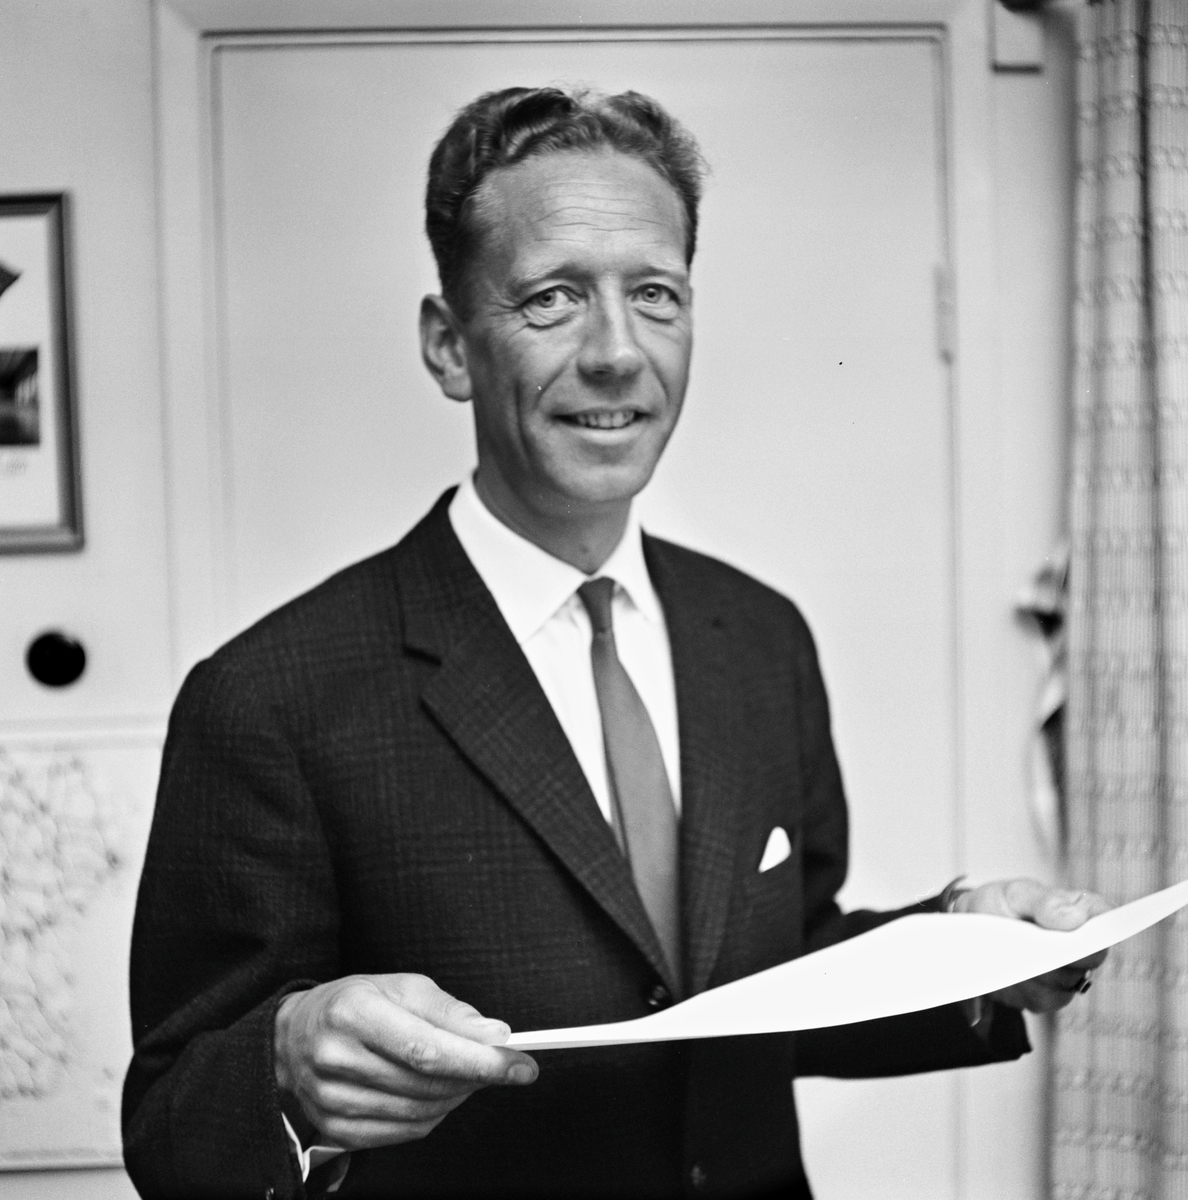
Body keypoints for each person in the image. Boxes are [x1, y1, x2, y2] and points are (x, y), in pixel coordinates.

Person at [122, 86, 1106, 1200]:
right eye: (552, 298)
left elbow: (774, 978)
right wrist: (287, 1073)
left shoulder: (760, 637)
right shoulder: (269, 696)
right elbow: (171, 1122)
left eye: (655, 295)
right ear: (449, 346)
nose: (619, 353)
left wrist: (968, 950)